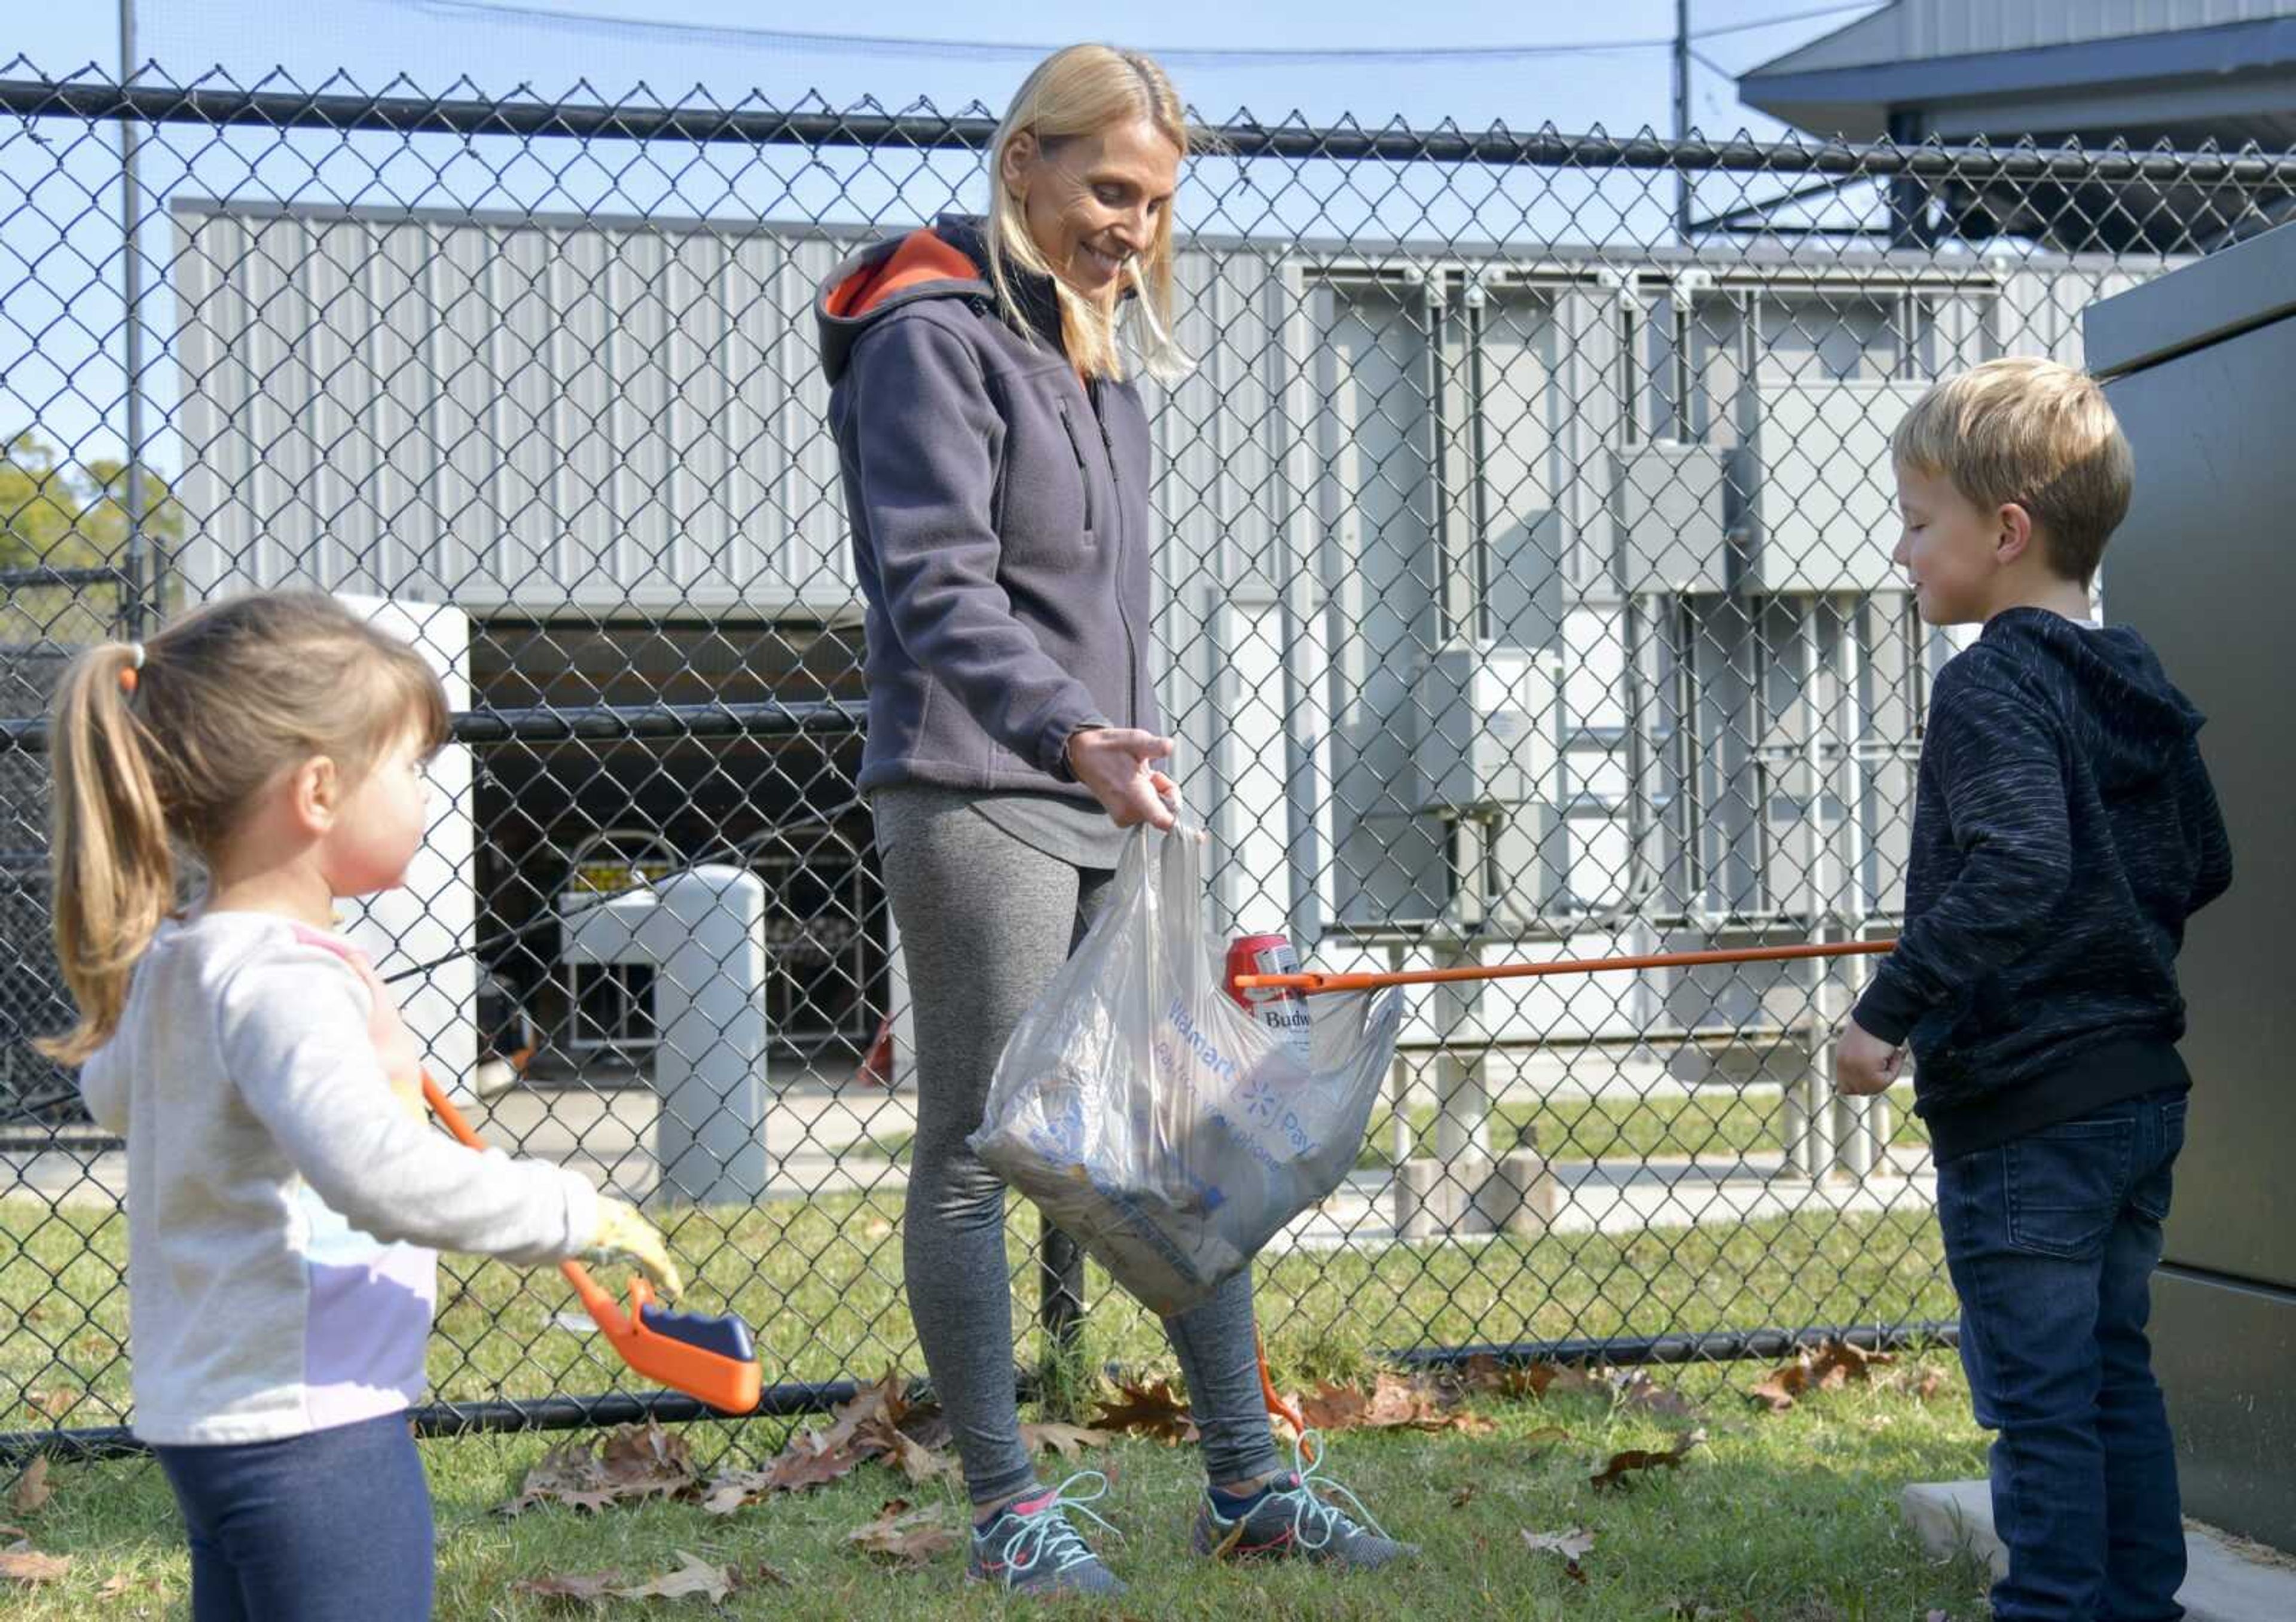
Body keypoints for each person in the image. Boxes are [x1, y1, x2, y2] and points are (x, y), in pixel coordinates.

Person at [815, 42, 1411, 1598]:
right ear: (1025, 164)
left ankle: (1248, 1485)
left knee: (1178, 1134)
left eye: (1153, 201)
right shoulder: (928, 333)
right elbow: (934, 588)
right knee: (975, 1145)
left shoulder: (1096, 359)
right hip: (976, 784)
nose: (1132, 225)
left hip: (1101, 793)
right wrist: (1067, 729)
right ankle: (1010, 1510)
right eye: (1106, 188)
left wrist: (1119, 753)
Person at [42, 590, 686, 1622]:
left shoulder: (183, 964)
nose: (425, 796)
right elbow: (377, 1176)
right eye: (412, 769)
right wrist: (573, 1210)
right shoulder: (285, 980)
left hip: (205, 1415)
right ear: (319, 791)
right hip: (314, 1429)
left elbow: (114, 1096)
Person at [1836, 358, 2232, 1620]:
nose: (1901, 551)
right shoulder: (2137, 684)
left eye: (1914, 521)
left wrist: (1881, 1016)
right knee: (2117, 1375)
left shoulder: (1992, 682)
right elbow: (2203, 861)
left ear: (2004, 533)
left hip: (2030, 1112)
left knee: (2038, 1401)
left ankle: (2056, 1609)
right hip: (2137, 1093)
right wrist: (2115, 934)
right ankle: (2142, 1608)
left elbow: (2015, 865)